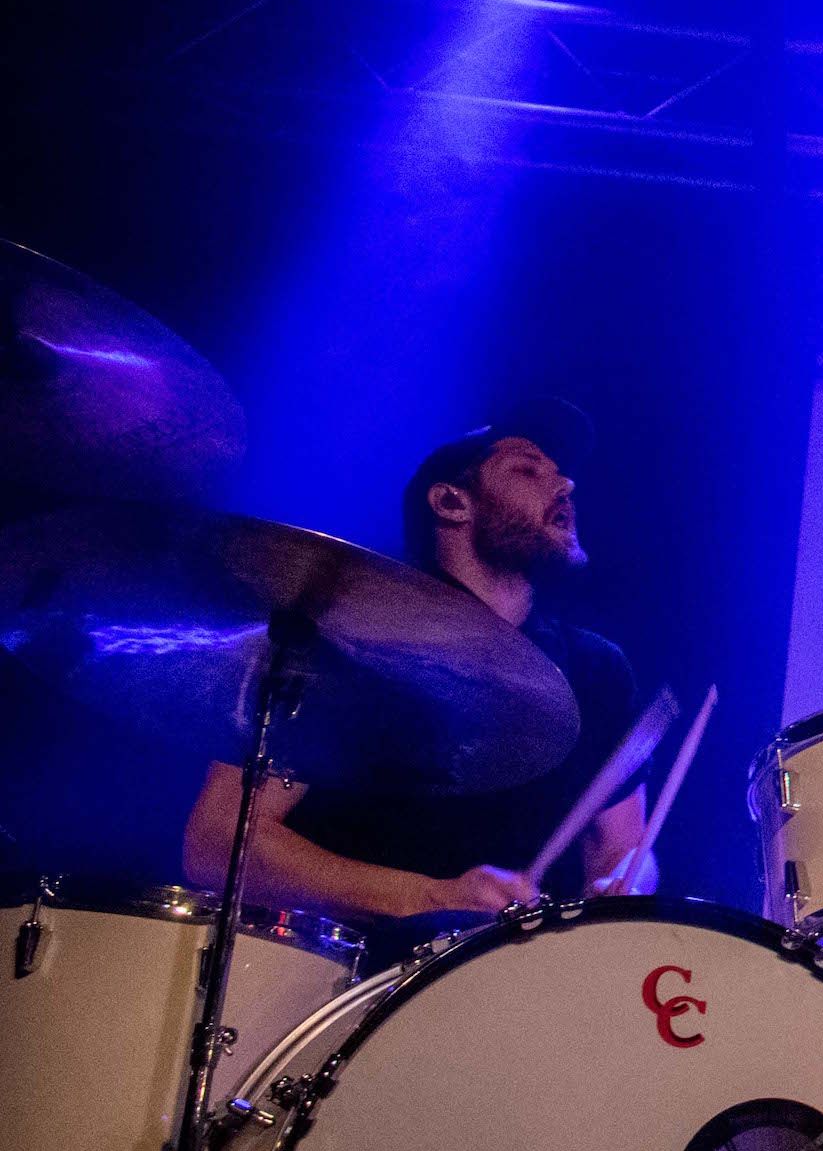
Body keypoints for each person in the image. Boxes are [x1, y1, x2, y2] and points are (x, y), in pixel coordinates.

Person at [179, 399, 655, 941]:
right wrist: (431, 898)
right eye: (528, 468)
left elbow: (621, 846)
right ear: (452, 502)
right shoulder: (348, 644)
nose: (564, 484)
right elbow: (217, 843)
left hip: (528, 992)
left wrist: (627, 883)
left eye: (562, 473)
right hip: (343, 984)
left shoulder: (597, 670)